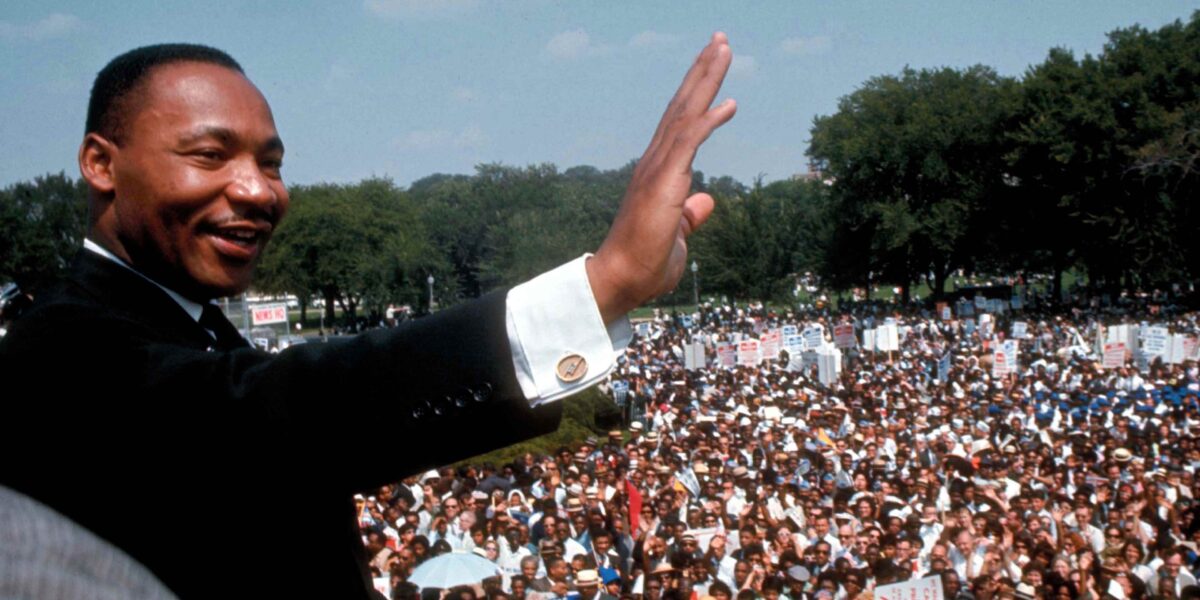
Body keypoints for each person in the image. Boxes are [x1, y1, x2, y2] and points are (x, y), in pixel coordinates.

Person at [0, 34, 737, 599]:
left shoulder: (192, 327)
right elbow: (282, 409)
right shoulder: (58, 347)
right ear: (100, 163)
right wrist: (602, 285)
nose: (258, 191)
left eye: (272, 162)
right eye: (209, 154)